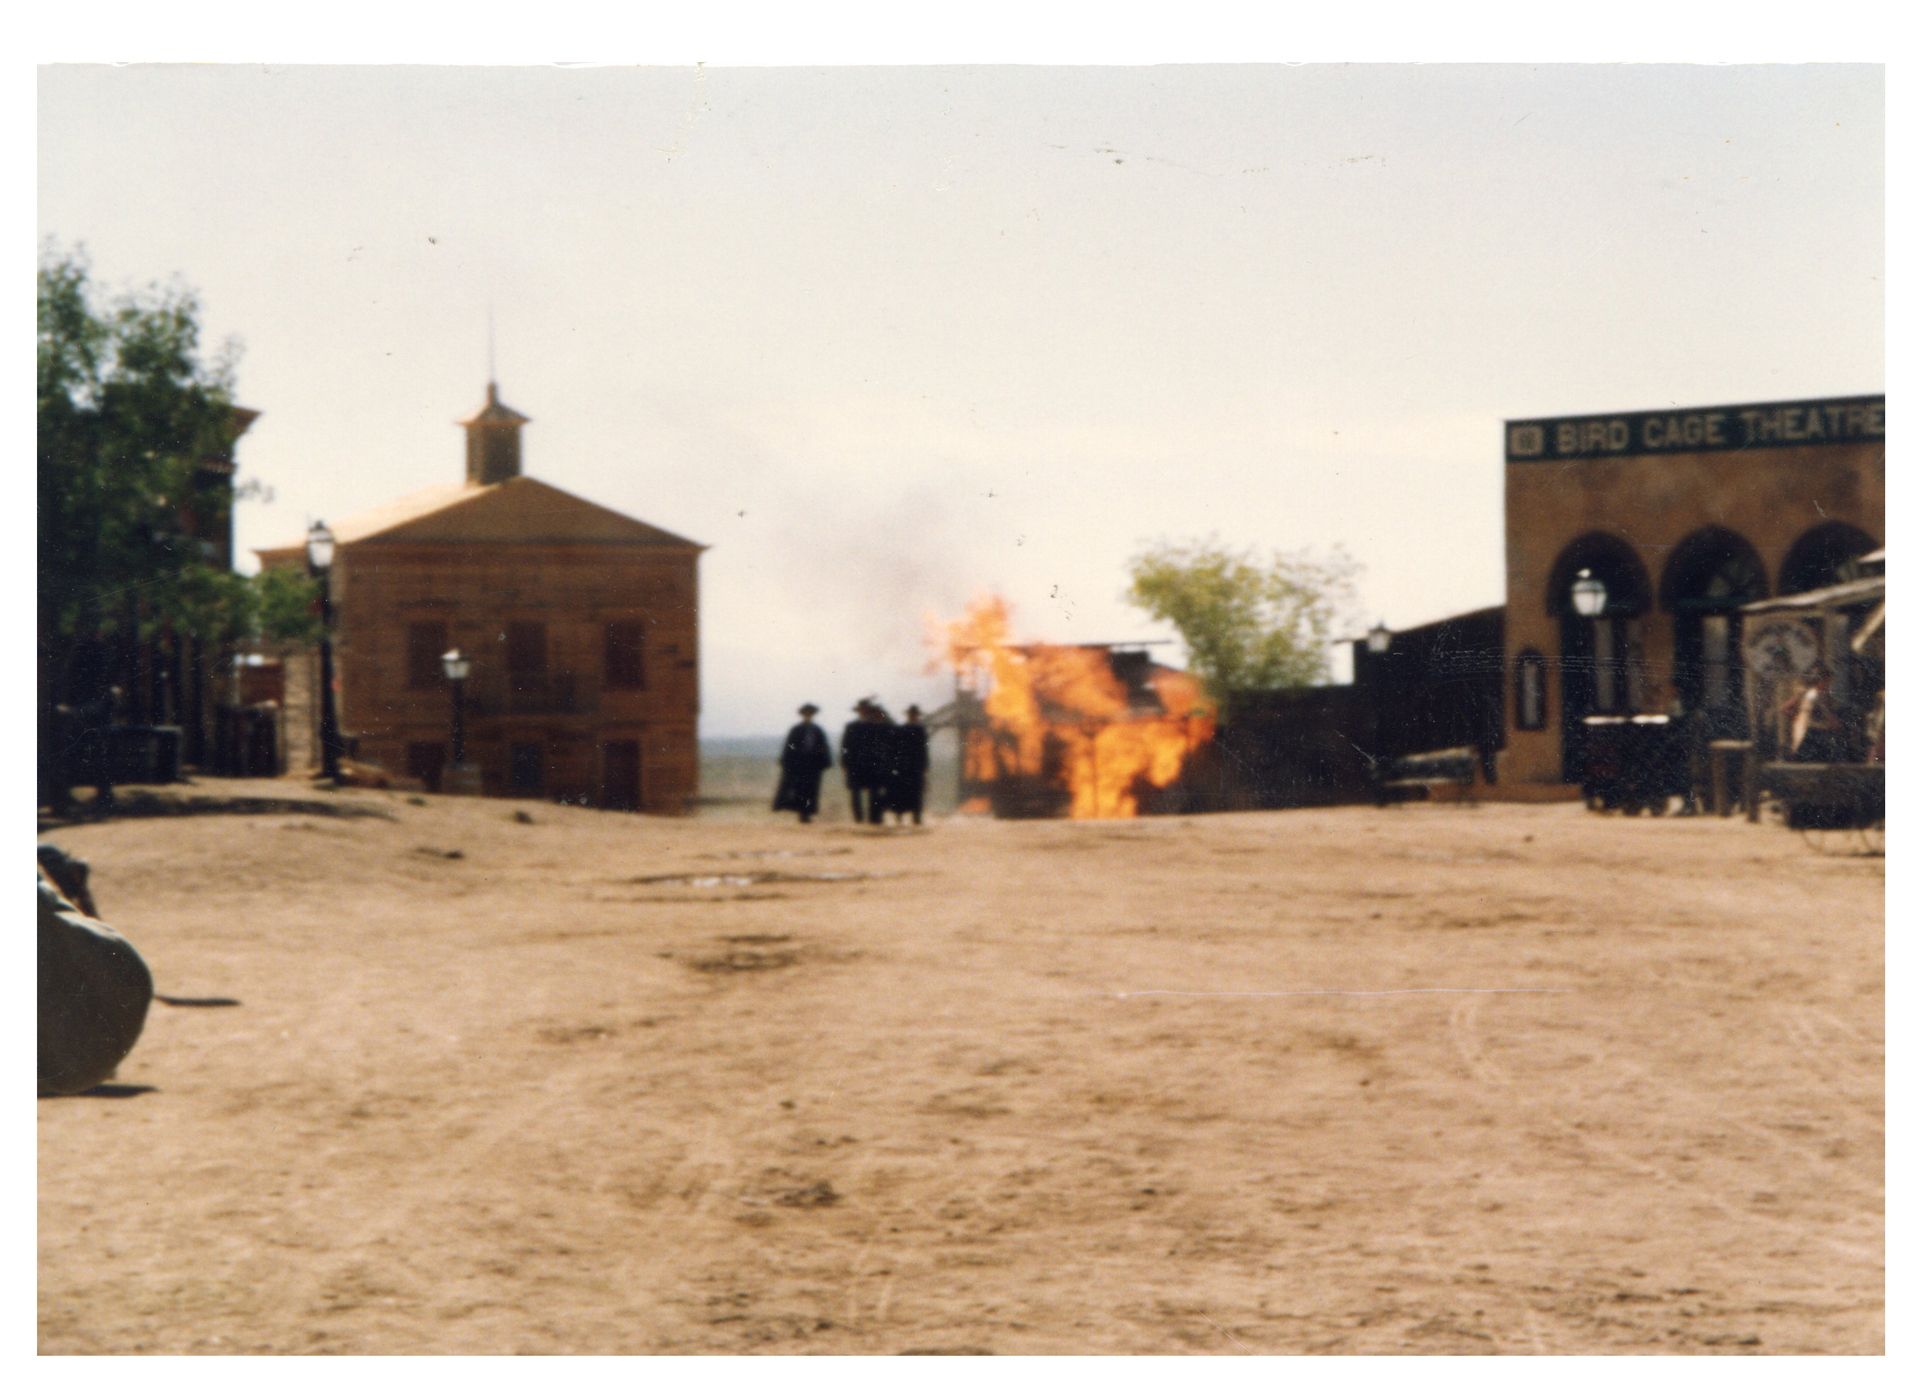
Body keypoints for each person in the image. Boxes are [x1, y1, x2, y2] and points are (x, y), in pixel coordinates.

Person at [772, 703, 833, 823]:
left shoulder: (817, 730)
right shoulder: (796, 730)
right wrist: (786, 762)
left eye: (810, 714)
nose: (808, 716)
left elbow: (823, 747)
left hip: (813, 765)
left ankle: (807, 813)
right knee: (799, 789)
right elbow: (789, 747)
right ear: (802, 715)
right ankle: (802, 813)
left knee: (811, 789)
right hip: (799, 764)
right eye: (806, 714)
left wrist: (825, 761)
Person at [840, 699, 888, 824]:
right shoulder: (851, 727)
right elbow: (845, 746)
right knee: (855, 793)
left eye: (866, 709)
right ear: (859, 711)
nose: (864, 712)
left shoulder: (878, 726)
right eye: (862, 709)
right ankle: (858, 819)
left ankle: (874, 818)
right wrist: (844, 763)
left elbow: (883, 744)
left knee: (875, 792)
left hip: (873, 764)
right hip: (855, 765)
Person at [1783, 666, 1844, 763]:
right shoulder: (1813, 695)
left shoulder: (1821, 695)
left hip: (1819, 731)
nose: (1829, 684)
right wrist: (1796, 717)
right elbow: (1785, 708)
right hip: (1814, 732)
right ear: (1821, 680)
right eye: (1827, 681)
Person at [885, 704, 931, 825]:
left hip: (911, 766)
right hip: (909, 766)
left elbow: (923, 750)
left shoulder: (915, 730)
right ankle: (905, 816)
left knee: (913, 792)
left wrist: (924, 765)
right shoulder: (915, 730)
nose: (914, 717)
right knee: (907, 792)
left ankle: (914, 816)